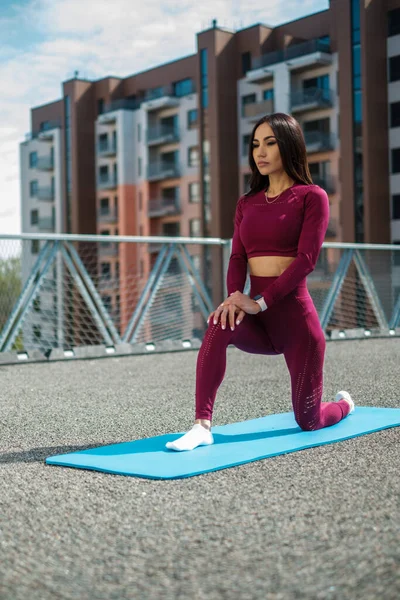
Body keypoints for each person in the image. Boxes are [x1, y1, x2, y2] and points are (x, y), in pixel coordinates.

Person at [166, 112, 354, 452]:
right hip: (258, 319)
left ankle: (344, 405)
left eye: (270, 143)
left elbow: (306, 260)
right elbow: (238, 257)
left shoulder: (312, 197)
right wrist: (234, 297)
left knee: (308, 420)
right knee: (218, 322)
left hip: (296, 323)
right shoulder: (247, 203)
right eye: (255, 145)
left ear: (289, 146)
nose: (260, 152)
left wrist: (261, 301)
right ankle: (201, 425)